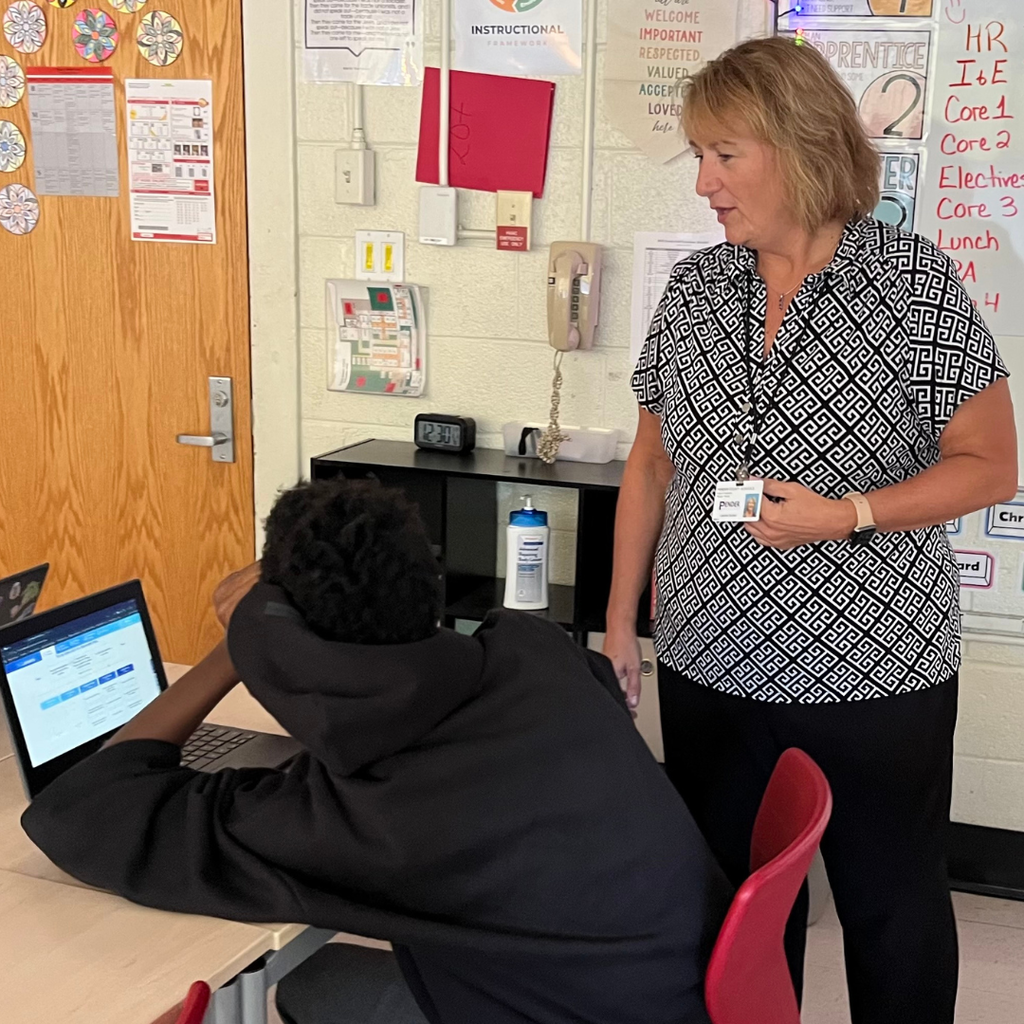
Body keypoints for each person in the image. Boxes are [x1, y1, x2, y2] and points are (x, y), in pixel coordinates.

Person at [603, 36, 1017, 1024]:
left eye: (724, 154)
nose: (703, 181)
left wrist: (851, 514)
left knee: (889, 907)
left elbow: (992, 463)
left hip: (875, 671)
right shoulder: (698, 290)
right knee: (741, 909)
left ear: (800, 145)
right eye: (697, 154)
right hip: (709, 663)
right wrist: (622, 624)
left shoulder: (912, 286)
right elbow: (651, 462)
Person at [22, 479, 731, 1024]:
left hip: (568, 1011)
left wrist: (234, 652)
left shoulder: (368, 821)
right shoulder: (535, 652)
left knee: (315, 986)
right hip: (662, 987)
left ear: (295, 642)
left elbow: (76, 810)